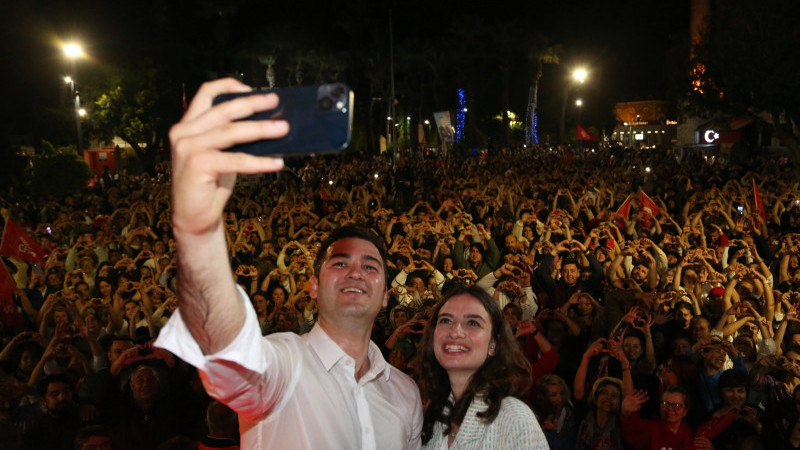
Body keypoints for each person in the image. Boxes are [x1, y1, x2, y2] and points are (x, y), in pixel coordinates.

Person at [155, 79, 422, 449]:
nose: (356, 272)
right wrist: (199, 232)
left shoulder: (405, 393)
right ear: (312, 285)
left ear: (387, 297)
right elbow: (225, 352)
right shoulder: (282, 363)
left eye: (371, 266)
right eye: (339, 263)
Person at [416, 284, 547, 449]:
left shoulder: (514, 418)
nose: (455, 331)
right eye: (446, 320)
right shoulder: (435, 415)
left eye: (472, 323)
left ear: (493, 344)